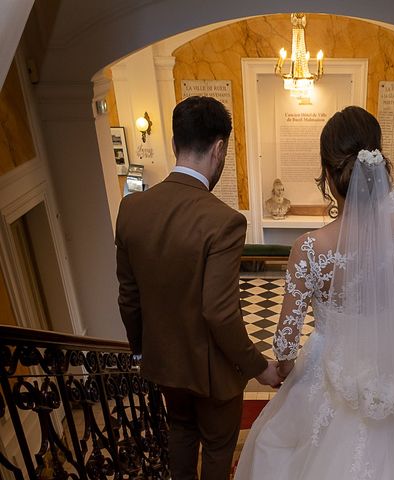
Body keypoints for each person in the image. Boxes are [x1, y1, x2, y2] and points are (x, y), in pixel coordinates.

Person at [235, 106, 394, 479]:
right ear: (380, 166)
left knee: (284, 448)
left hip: (328, 366)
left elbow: (285, 341)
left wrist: (283, 369)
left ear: (329, 175)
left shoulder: (311, 248)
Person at [115, 96, 282, 480]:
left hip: (164, 363)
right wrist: (260, 368)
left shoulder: (132, 208)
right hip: (212, 375)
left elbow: (128, 296)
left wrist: (142, 351)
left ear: (175, 144)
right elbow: (218, 312)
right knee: (219, 448)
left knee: (181, 432)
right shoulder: (223, 221)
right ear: (219, 149)